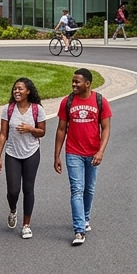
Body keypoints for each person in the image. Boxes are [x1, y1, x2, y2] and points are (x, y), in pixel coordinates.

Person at [54, 68, 111, 246]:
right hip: (73, 152)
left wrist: (101, 151)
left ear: (87, 83)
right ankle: (79, 230)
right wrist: (56, 155)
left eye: (77, 82)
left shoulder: (100, 101)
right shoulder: (67, 102)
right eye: (73, 81)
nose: (73, 84)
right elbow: (61, 129)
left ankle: (85, 218)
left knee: (89, 189)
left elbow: (106, 128)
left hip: (93, 152)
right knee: (77, 189)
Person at [0, 78, 46, 240]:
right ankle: (13, 210)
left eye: (20, 89)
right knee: (13, 190)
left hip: (31, 152)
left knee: (28, 189)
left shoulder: (37, 109)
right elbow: (3, 134)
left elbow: (42, 132)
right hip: (12, 153)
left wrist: (30, 128)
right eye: (15, 89)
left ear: (28, 91)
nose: (16, 91)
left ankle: (26, 225)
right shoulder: (8, 109)